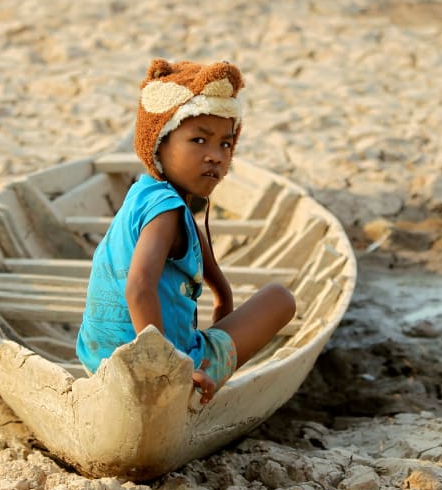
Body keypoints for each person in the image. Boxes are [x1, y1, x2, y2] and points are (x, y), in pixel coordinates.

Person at [76, 59, 296, 404]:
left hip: (98, 357)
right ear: (158, 144)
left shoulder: (145, 193)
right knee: (280, 299)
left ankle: (181, 359)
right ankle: (191, 372)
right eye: (198, 140)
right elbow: (138, 288)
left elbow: (207, 264)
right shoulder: (167, 213)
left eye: (225, 144)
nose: (215, 157)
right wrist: (165, 369)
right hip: (150, 369)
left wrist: (223, 296)